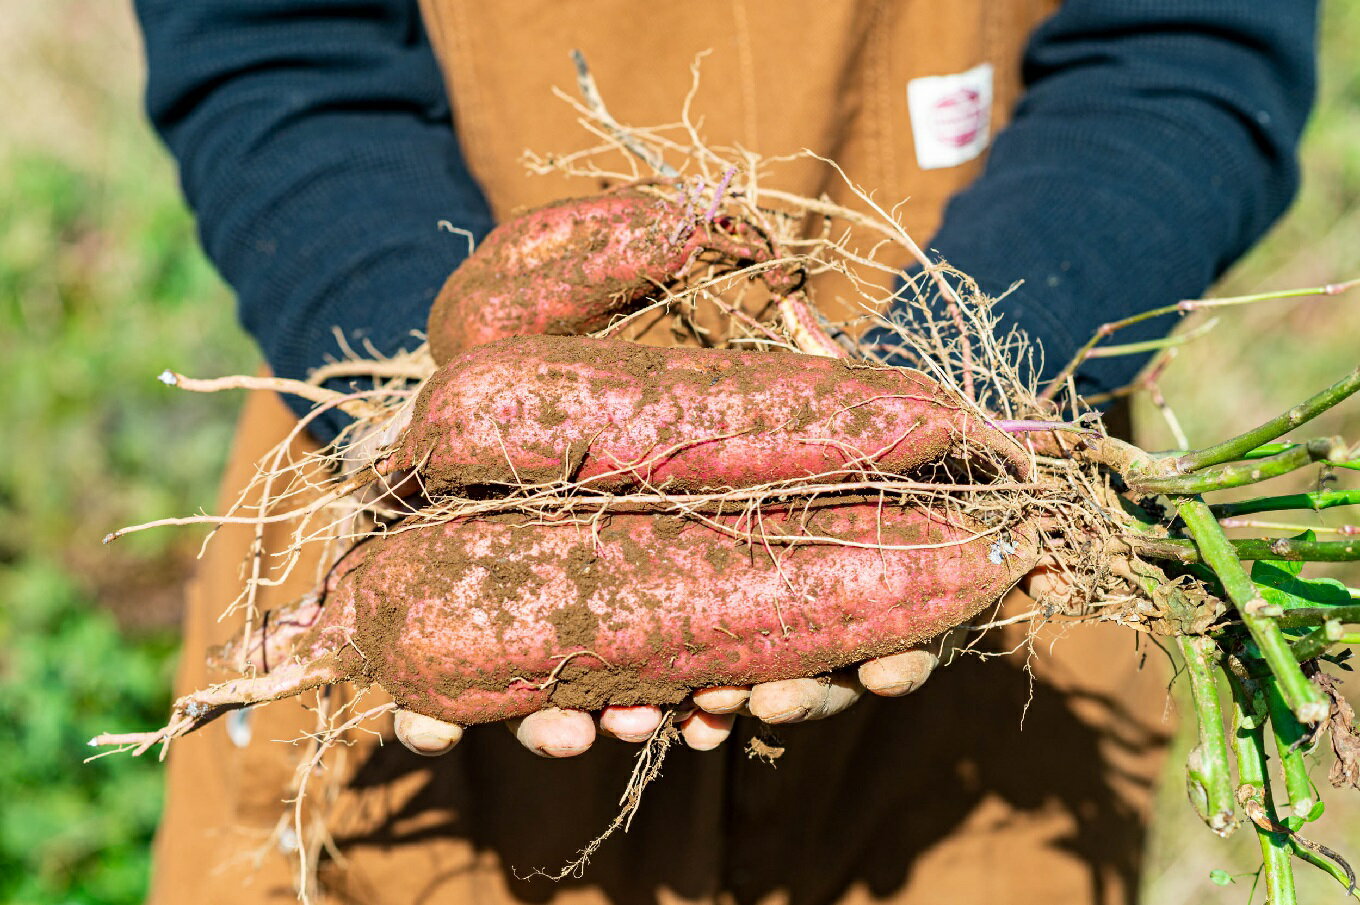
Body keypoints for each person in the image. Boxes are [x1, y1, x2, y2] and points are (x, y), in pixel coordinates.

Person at [131, 1, 1318, 903]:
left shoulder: (953, 478)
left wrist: (936, 412)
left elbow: (1186, 45)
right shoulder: (407, 533)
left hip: (985, 665)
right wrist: (441, 416)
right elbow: (275, 47)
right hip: (402, 552)